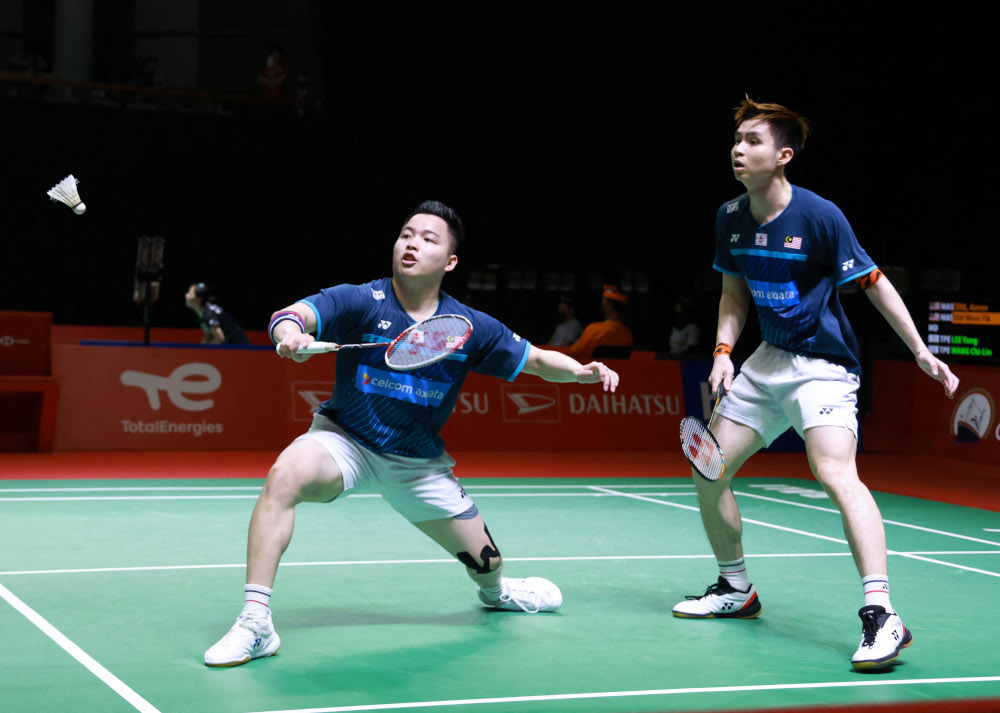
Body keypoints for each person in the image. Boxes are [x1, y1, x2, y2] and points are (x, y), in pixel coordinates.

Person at [204, 200, 620, 667]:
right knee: (285, 477)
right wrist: (292, 335)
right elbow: (292, 314)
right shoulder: (362, 299)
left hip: (418, 464)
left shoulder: (468, 327)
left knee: (487, 563)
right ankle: (256, 622)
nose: (412, 243)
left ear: (450, 261)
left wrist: (580, 372)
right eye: (406, 234)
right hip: (347, 440)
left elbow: (538, 360)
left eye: (428, 238)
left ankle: (499, 593)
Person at [671, 97, 959, 670]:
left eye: (753, 141)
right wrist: (725, 351)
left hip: (822, 365)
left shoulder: (820, 215)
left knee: (833, 472)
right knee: (709, 469)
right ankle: (736, 589)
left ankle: (881, 613)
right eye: (736, 140)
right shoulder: (730, 217)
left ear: (782, 156)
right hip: (766, 358)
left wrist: (921, 351)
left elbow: (874, 283)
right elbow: (733, 294)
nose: (738, 148)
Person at [566, 285, 634, 361]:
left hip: (594, 372)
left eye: (603, 301)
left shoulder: (593, 329)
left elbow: (575, 352)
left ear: (607, 305)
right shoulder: (628, 334)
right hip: (619, 372)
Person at [184, 283, 250, 345]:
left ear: (198, 299)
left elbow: (220, 339)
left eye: (189, 293)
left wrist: (204, 348)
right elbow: (208, 336)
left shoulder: (209, 313)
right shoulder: (202, 312)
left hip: (239, 348)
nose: (186, 295)